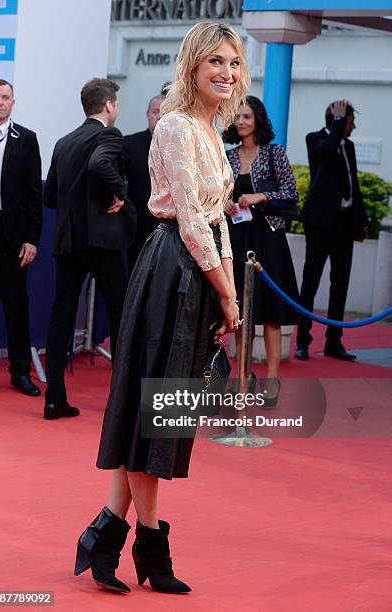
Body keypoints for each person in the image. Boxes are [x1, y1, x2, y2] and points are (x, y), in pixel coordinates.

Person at [74, 22, 249, 595]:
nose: (225, 73)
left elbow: (219, 217)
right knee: (158, 414)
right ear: (192, 68)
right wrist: (225, 289)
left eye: (232, 63)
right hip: (173, 269)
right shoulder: (174, 125)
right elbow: (194, 221)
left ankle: (105, 535)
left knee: (161, 413)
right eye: (213, 64)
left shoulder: (211, 127)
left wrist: (227, 292)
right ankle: (150, 546)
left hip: (198, 274)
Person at [43, 78, 136, 420]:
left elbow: (49, 196)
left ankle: (54, 398)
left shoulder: (64, 142)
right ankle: (122, 403)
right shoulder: (109, 135)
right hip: (103, 240)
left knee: (61, 316)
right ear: (109, 105)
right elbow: (100, 164)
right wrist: (118, 193)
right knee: (120, 314)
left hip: (68, 241)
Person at [223, 96, 299, 405]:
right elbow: (217, 194)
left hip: (268, 240)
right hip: (237, 239)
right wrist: (224, 203)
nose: (241, 121)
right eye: (237, 117)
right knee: (241, 314)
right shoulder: (226, 156)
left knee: (270, 315)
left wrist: (261, 197)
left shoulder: (273, 153)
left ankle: (272, 380)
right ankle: (242, 376)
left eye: (247, 117)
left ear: (258, 121)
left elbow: (291, 195)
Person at [295, 100, 368, 361]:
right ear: (337, 119)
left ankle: (333, 342)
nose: (354, 126)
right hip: (319, 223)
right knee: (311, 281)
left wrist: (361, 221)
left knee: (341, 284)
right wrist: (337, 123)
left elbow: (353, 183)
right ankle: (302, 341)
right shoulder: (315, 139)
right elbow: (325, 152)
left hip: (344, 224)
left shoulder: (348, 145)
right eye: (350, 121)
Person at [0, 79, 42, 396]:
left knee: (15, 304)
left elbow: (35, 195)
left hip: (12, 232)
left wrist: (31, 239)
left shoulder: (27, 139)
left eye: (5, 97)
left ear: (13, 103)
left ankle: (20, 371)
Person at [122, 94, 164, 270]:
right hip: (138, 226)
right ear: (148, 115)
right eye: (155, 112)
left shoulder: (182, 146)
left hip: (170, 227)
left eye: (165, 113)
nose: (160, 117)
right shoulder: (130, 143)